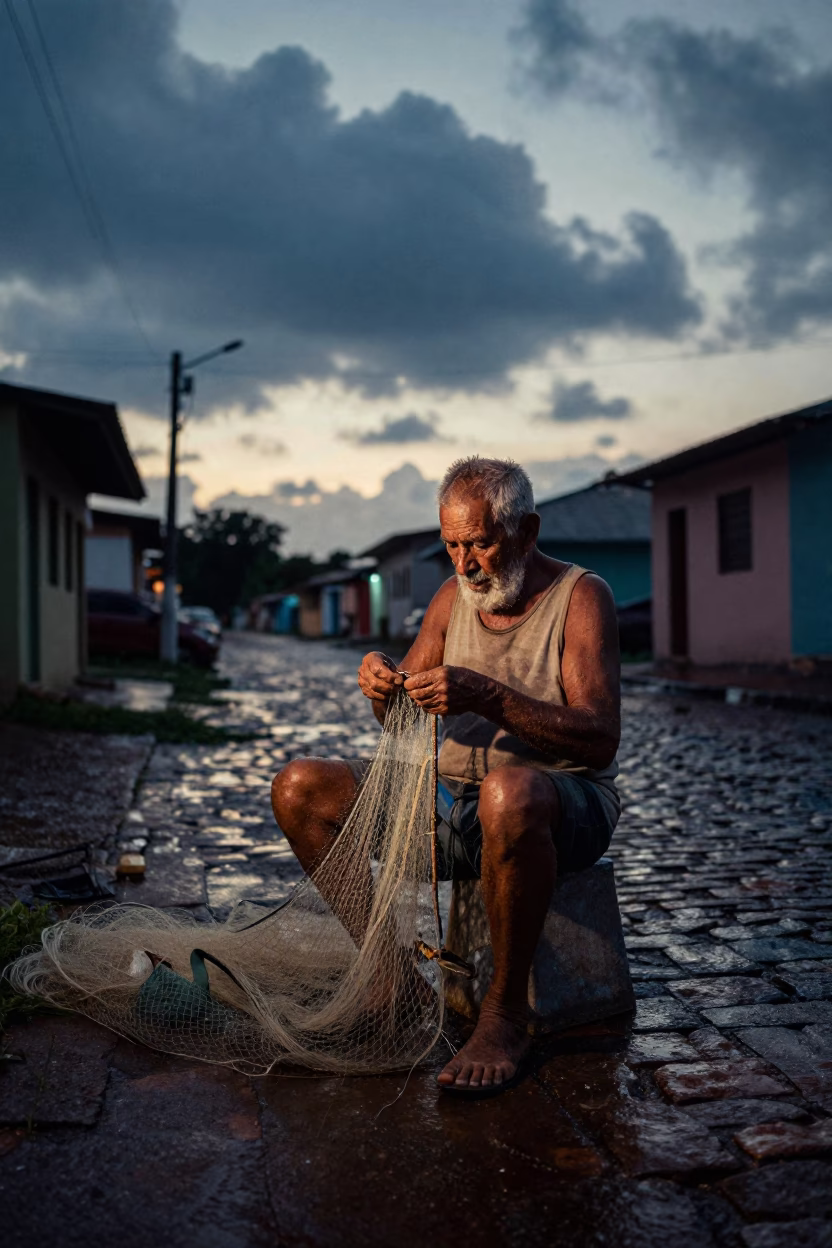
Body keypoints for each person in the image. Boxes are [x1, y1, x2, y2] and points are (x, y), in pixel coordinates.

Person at [271, 456, 621, 1093]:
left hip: (562, 804)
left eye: (480, 543)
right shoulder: (450, 597)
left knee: (508, 793)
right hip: (453, 802)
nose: (465, 565)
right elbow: (397, 716)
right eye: (453, 546)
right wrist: (381, 682)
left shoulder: (580, 597)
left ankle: (504, 1014)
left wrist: (489, 697)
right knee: (300, 788)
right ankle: (392, 982)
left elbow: (599, 739)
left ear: (527, 531)